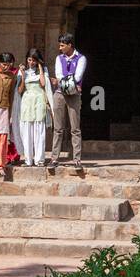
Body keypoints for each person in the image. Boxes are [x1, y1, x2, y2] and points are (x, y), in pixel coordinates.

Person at [49, 33, 86, 175]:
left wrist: (62, 82)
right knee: (58, 128)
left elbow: (78, 76)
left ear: (70, 45)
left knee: (75, 128)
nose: (60, 48)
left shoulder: (81, 58)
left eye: (62, 45)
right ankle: (54, 157)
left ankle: (77, 159)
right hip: (60, 94)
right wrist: (69, 83)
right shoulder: (59, 58)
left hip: (74, 95)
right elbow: (59, 75)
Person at [16, 48, 52, 167]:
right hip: (27, 101)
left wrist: (41, 68)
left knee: (39, 131)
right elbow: (20, 90)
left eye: (34, 60)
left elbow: (43, 84)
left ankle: (39, 160)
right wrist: (22, 75)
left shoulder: (43, 70)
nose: (31, 62)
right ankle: (28, 160)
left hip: (39, 100)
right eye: (29, 59)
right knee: (26, 131)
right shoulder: (23, 71)